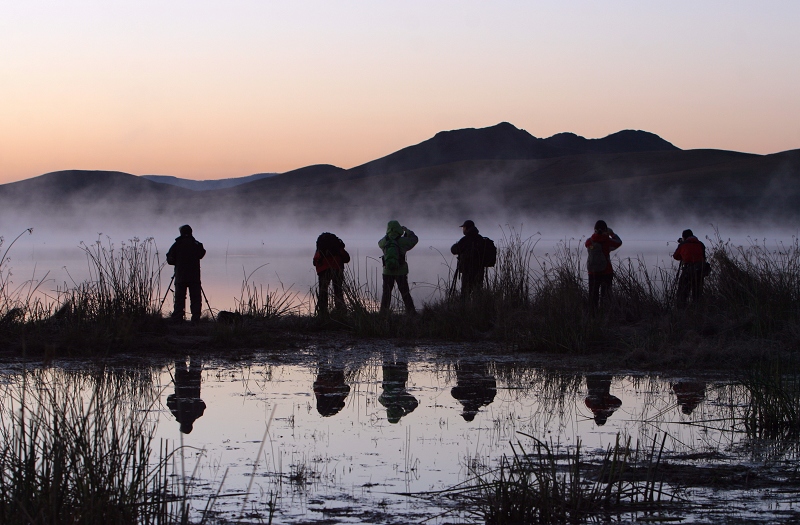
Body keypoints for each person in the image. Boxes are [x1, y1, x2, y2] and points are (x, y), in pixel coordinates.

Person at [166, 224, 206, 323]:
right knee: (195, 298)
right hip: (194, 276)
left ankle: (178, 318)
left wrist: (177, 261)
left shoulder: (177, 244)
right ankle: (195, 319)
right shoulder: (196, 244)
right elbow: (202, 254)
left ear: (181, 233)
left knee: (179, 297)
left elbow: (170, 259)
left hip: (181, 275)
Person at [378, 220, 418, 315]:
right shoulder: (403, 241)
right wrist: (407, 231)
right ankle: (411, 312)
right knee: (405, 293)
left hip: (387, 271)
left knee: (386, 294)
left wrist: (388, 235)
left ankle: (383, 313)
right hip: (401, 271)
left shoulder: (384, 241)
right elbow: (415, 239)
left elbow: (379, 243)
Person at [585, 220, 622, 309]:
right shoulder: (607, 241)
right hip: (606, 272)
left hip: (592, 272)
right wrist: (611, 233)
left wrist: (597, 234)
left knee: (593, 296)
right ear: (605, 230)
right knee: (605, 296)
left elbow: (590, 243)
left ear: (595, 230)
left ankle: (593, 316)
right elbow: (619, 242)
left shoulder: (589, 242)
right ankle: (604, 315)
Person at [313, 232, 351, 316]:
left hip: (323, 270)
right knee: (338, 291)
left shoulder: (320, 249)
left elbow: (315, 262)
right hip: (337, 269)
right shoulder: (338, 248)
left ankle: (323, 313)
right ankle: (341, 312)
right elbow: (347, 258)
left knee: (323, 292)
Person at [166, 357, 206, 434]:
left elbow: (202, 404)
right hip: (181, 383)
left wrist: (195, 399)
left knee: (195, 361)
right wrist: (177, 396)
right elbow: (170, 399)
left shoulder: (197, 414)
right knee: (180, 361)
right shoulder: (178, 414)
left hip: (194, 384)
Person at [451, 220, 485, 295]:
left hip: (467, 270)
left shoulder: (465, 239)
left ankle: (465, 306)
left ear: (466, 228)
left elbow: (454, 250)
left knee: (465, 292)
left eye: (463, 228)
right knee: (478, 291)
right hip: (480, 269)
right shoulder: (480, 238)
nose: (462, 229)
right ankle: (478, 305)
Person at [673, 229, 706, 307]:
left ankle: (681, 311)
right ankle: (697, 311)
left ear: (684, 237)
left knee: (682, 293)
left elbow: (675, 256)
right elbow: (704, 257)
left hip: (688, 271)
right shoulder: (700, 244)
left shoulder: (683, 244)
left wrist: (683, 253)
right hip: (700, 271)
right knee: (697, 294)